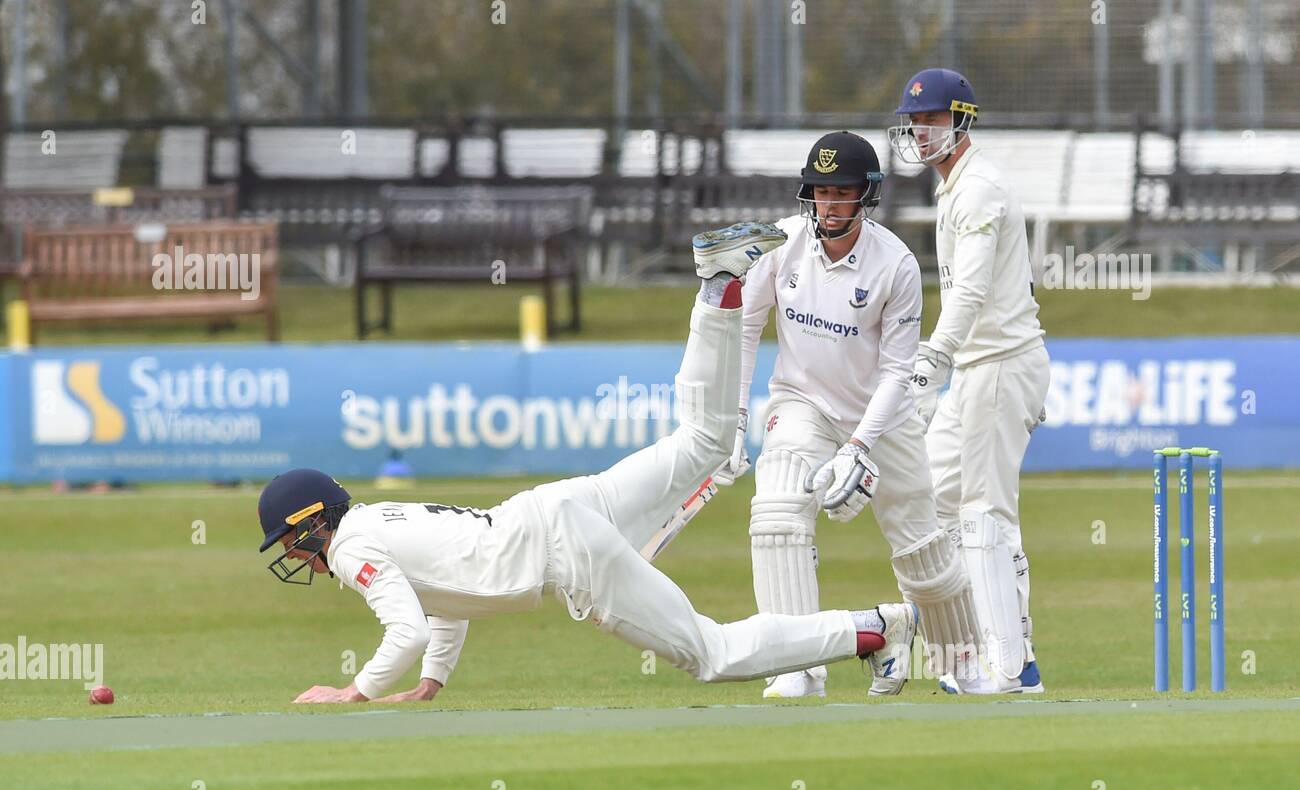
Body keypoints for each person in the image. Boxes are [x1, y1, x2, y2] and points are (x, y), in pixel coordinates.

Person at [256, 223, 918, 704]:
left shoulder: (351, 548)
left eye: (289, 537)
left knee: (711, 653)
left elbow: (402, 627)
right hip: (562, 505)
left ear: (313, 523)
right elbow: (441, 602)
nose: (292, 552)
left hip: (565, 549)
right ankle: (716, 289)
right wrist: (432, 683)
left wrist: (354, 691)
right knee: (707, 442)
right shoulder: (379, 521)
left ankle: (876, 629)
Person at [712, 131, 980, 699]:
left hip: (883, 419)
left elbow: (895, 373)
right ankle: (798, 668)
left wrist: (859, 446)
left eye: (842, 193)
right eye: (820, 193)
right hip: (802, 403)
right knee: (778, 514)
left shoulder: (896, 265)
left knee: (922, 552)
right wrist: (733, 420)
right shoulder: (779, 246)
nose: (829, 206)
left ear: (866, 196)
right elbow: (743, 330)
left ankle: (964, 664)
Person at [887, 68, 1050, 694]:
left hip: (1002, 363)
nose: (920, 132)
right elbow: (960, 290)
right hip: (978, 368)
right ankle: (968, 645)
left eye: (930, 121)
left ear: (960, 120)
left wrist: (934, 356)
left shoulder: (978, 186)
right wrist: (940, 363)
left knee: (986, 516)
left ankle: (1014, 665)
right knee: (929, 497)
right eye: (914, 123)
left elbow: (974, 288)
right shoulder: (952, 188)